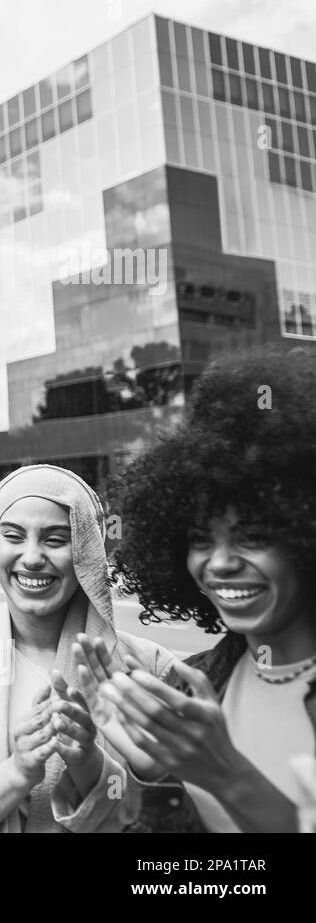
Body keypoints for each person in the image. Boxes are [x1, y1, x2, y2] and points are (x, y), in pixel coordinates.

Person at [96, 345, 316, 832]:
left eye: (253, 537)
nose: (219, 563)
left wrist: (226, 775)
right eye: (199, 539)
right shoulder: (192, 683)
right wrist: (154, 775)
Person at [0, 464, 174, 832]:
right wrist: (18, 772)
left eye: (55, 539)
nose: (31, 557)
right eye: (13, 536)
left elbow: (174, 813)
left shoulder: (149, 667)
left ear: (87, 552)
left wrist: (88, 765)